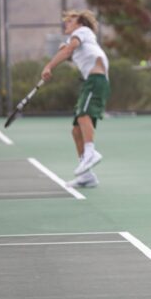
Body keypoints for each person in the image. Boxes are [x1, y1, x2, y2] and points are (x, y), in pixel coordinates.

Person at [41, 10, 109, 189]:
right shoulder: (78, 40)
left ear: (80, 23)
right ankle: (87, 176)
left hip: (96, 80)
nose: (66, 23)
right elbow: (71, 52)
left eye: (71, 21)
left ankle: (90, 153)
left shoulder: (82, 32)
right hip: (91, 81)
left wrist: (49, 66)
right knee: (76, 131)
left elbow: (69, 50)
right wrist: (66, 51)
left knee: (83, 115)